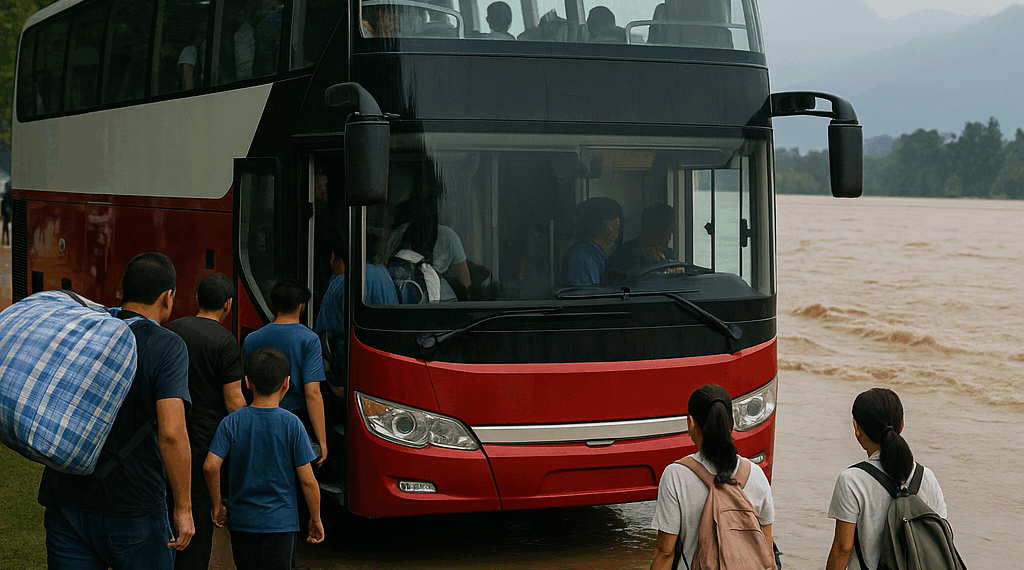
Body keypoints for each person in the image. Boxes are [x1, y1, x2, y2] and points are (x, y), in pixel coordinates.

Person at [37, 252, 194, 569]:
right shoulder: (167, 346)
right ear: (168, 297)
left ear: (124, 291)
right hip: (134, 505)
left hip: (65, 496)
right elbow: (172, 433)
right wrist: (184, 507)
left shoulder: (85, 331)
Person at [204, 347, 324, 570]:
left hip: (242, 522)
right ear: (286, 383)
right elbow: (308, 481)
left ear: (247, 382)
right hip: (280, 523)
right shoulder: (292, 424)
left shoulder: (232, 422)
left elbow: (211, 466)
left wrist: (218, 505)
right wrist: (315, 518)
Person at [166, 272, 246, 570]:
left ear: (197, 299)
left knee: (167, 507)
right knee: (198, 519)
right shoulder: (226, 343)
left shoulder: (173, 329)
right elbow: (234, 399)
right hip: (204, 442)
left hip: (167, 433)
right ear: (228, 304)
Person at [649, 384, 774, 570]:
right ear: (730, 423)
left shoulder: (676, 475)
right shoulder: (756, 474)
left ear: (690, 422)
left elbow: (665, 552)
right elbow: (766, 544)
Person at [825, 388, 947, 570]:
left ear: (856, 427)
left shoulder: (851, 481)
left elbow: (843, 549)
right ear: (902, 425)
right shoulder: (926, 476)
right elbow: (943, 537)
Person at [242, 279, 327, 467]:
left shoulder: (251, 339)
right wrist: (321, 441)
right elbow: (312, 393)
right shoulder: (310, 340)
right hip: (298, 419)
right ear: (301, 306)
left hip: (259, 416)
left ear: (274, 305)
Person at [315, 234, 398, 354]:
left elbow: (323, 327)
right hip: (384, 350)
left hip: (348, 352)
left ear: (333, 257)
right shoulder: (383, 274)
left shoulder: (342, 281)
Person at [563, 197, 622, 286]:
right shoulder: (581, 255)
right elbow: (589, 295)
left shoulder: (618, 252)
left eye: (618, 221)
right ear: (596, 225)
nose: (617, 226)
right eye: (611, 221)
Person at [608, 203, 676, 279]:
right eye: (666, 228)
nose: (671, 233)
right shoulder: (624, 254)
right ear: (650, 227)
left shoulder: (669, 255)